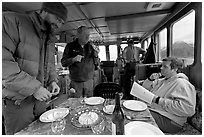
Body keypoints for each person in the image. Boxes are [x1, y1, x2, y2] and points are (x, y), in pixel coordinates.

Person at [2, 2, 67, 134]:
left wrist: (52, 80)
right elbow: (3, 64)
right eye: (58, 19)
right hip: (18, 103)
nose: (59, 25)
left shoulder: (49, 37)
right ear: (45, 11)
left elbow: (50, 64)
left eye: (62, 22)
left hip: (40, 104)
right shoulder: (12, 21)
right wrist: (35, 88)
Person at [142, 57, 196, 133]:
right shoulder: (163, 81)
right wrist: (150, 79)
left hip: (171, 120)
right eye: (161, 66)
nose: (161, 68)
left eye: (165, 67)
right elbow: (144, 88)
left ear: (175, 69)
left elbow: (188, 109)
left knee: (140, 117)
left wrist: (158, 100)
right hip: (157, 111)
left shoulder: (182, 84)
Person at [61, 26, 100, 98]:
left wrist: (96, 56)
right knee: (75, 103)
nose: (88, 37)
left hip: (89, 81)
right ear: (78, 35)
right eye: (85, 35)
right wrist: (73, 59)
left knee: (90, 102)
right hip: (76, 82)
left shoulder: (91, 47)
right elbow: (63, 63)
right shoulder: (70, 46)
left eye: (88, 35)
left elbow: (96, 64)